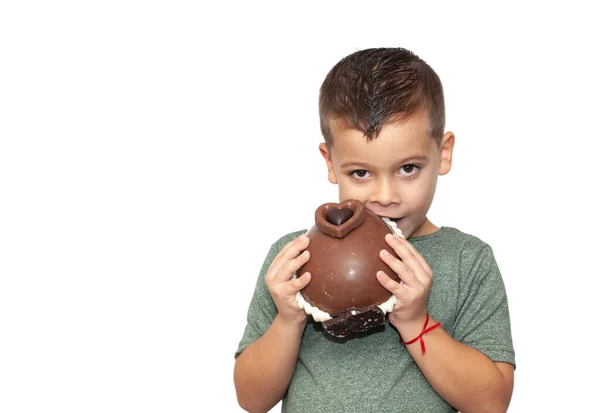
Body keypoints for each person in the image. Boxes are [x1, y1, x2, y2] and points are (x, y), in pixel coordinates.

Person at [233, 47, 515, 413]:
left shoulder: (468, 261)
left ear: (443, 153)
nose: (386, 197)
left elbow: (491, 402)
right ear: (330, 163)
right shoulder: (294, 260)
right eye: (361, 173)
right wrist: (290, 319)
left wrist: (416, 321)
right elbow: (251, 399)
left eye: (409, 168)